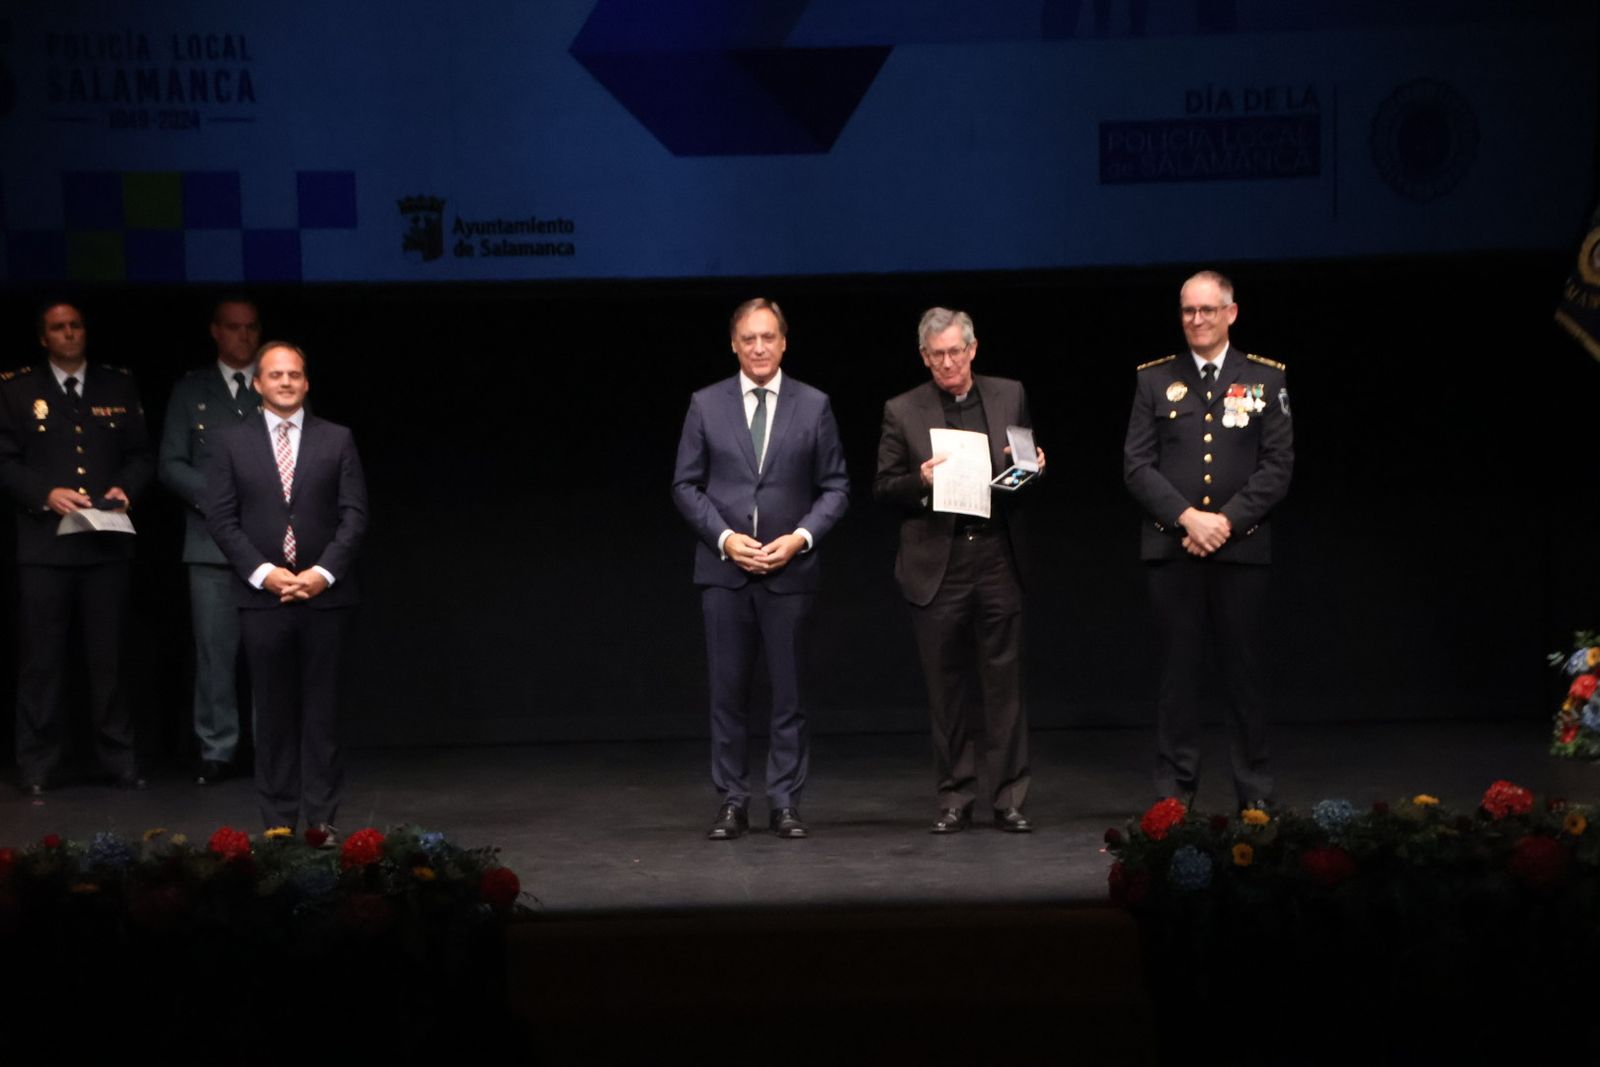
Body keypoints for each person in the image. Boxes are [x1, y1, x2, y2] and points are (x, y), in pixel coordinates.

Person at [671, 298, 849, 840]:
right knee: (727, 694)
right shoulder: (706, 404)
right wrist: (725, 539)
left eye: (768, 337)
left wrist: (799, 538)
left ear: (784, 342)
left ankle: (785, 802)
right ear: (734, 344)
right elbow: (685, 485)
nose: (759, 347)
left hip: (789, 573)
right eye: (748, 338)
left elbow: (836, 488)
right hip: (724, 573)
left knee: (789, 695)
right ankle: (731, 800)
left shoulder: (813, 405)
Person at [1122, 270, 1293, 811]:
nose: (1196, 320)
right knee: (1178, 678)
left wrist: (1225, 522)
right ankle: (1174, 797)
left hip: (1241, 550)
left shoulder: (1265, 378)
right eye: (1188, 311)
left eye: (1207, 310)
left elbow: (1277, 467)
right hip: (1173, 550)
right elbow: (1136, 465)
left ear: (1230, 313)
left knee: (1245, 677)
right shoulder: (1155, 379)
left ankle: (1255, 796)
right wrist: (1188, 519)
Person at [875, 307, 1044, 834]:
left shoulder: (1009, 394)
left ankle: (1009, 798)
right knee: (946, 686)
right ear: (924, 357)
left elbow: (1022, 467)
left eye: (955, 352)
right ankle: (955, 796)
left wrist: (1032, 468)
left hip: (995, 554)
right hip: (939, 558)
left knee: (1004, 683)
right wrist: (920, 480)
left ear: (972, 349)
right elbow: (884, 486)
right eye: (936, 355)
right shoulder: (903, 410)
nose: (947, 363)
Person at [205, 342, 368, 834]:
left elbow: (354, 515)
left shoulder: (336, 438)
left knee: (323, 715)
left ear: (306, 382)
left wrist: (322, 574)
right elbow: (221, 518)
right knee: (273, 716)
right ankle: (277, 825)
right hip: (263, 598)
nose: (285, 382)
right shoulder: (229, 441)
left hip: (326, 598)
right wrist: (263, 572)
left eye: (294, 374)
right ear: (257, 383)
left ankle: (321, 824)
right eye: (275, 375)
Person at [0, 301, 152, 794]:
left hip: (106, 544)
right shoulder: (17, 388)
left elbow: (141, 455)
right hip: (45, 546)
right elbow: (4, 460)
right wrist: (44, 493)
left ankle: (118, 758)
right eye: (58, 328)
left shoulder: (117, 384)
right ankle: (38, 763)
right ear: (43, 338)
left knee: (109, 660)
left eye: (76, 326)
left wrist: (128, 487)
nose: (69, 334)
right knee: (42, 661)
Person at [158, 296, 262, 785]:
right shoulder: (191, 390)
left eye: (251, 327)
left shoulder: (275, 384)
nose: (244, 335)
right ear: (216, 332)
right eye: (234, 327)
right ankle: (218, 748)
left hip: (268, 544)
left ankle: (271, 746)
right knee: (215, 655)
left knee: (270, 654)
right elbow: (171, 463)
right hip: (211, 544)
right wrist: (219, 501)